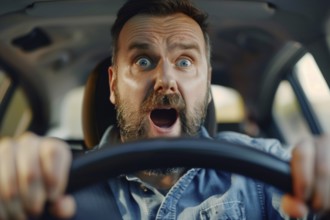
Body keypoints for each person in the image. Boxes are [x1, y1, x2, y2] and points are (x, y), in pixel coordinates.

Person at [0, 0, 330, 219]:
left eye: (185, 61)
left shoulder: (261, 172)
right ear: (113, 85)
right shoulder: (53, 187)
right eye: (143, 61)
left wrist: (318, 173)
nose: (166, 79)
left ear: (207, 82)